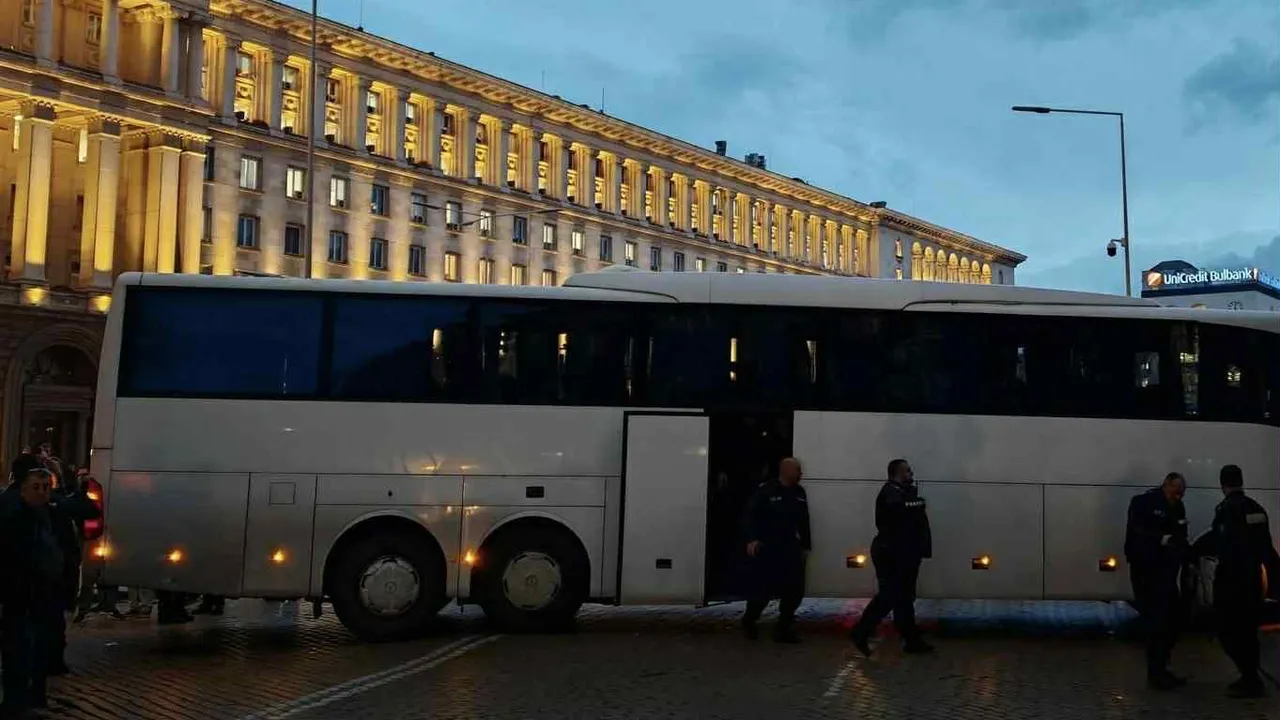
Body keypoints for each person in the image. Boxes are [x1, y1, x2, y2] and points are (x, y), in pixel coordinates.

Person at [0, 468, 97, 717]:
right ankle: (16, 703)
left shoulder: (54, 512)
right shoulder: (13, 515)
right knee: (19, 648)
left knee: (40, 646)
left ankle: (35, 698)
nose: (42, 492)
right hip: (20, 592)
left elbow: (87, 512)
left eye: (46, 487)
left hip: (47, 591)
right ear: (23, 489)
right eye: (37, 487)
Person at [849, 458, 934, 656]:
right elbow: (904, 512)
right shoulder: (891, 494)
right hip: (893, 553)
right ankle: (861, 632)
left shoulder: (901, 493)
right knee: (889, 596)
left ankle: (911, 640)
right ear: (896, 473)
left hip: (903, 552)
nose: (911, 475)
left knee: (904, 597)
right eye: (907, 472)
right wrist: (917, 502)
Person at [1210, 464, 1280, 698]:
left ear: (1223, 484)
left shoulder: (1227, 510)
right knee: (1248, 630)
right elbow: (1266, 548)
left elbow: (1220, 542)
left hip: (1231, 580)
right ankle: (1251, 677)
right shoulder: (1255, 508)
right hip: (1251, 579)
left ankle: (1249, 677)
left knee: (1226, 629)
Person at [1124, 472, 1189, 690]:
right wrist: (1161, 539)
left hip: (1166, 572)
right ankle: (1156, 673)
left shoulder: (1178, 507)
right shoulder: (1144, 503)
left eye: (1182, 493)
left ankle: (1162, 667)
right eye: (1176, 491)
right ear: (1166, 485)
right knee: (1157, 623)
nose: (1178, 496)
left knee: (1173, 619)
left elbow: (1181, 533)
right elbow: (1137, 531)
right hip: (1147, 571)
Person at [740, 457, 810, 643]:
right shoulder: (766, 491)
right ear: (785, 470)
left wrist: (805, 546)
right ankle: (749, 621)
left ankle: (783, 628)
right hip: (768, 547)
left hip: (790, 547)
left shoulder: (799, 493)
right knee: (762, 591)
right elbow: (749, 515)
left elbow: (804, 522)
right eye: (797, 470)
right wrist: (751, 539)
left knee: (794, 591)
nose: (801, 473)